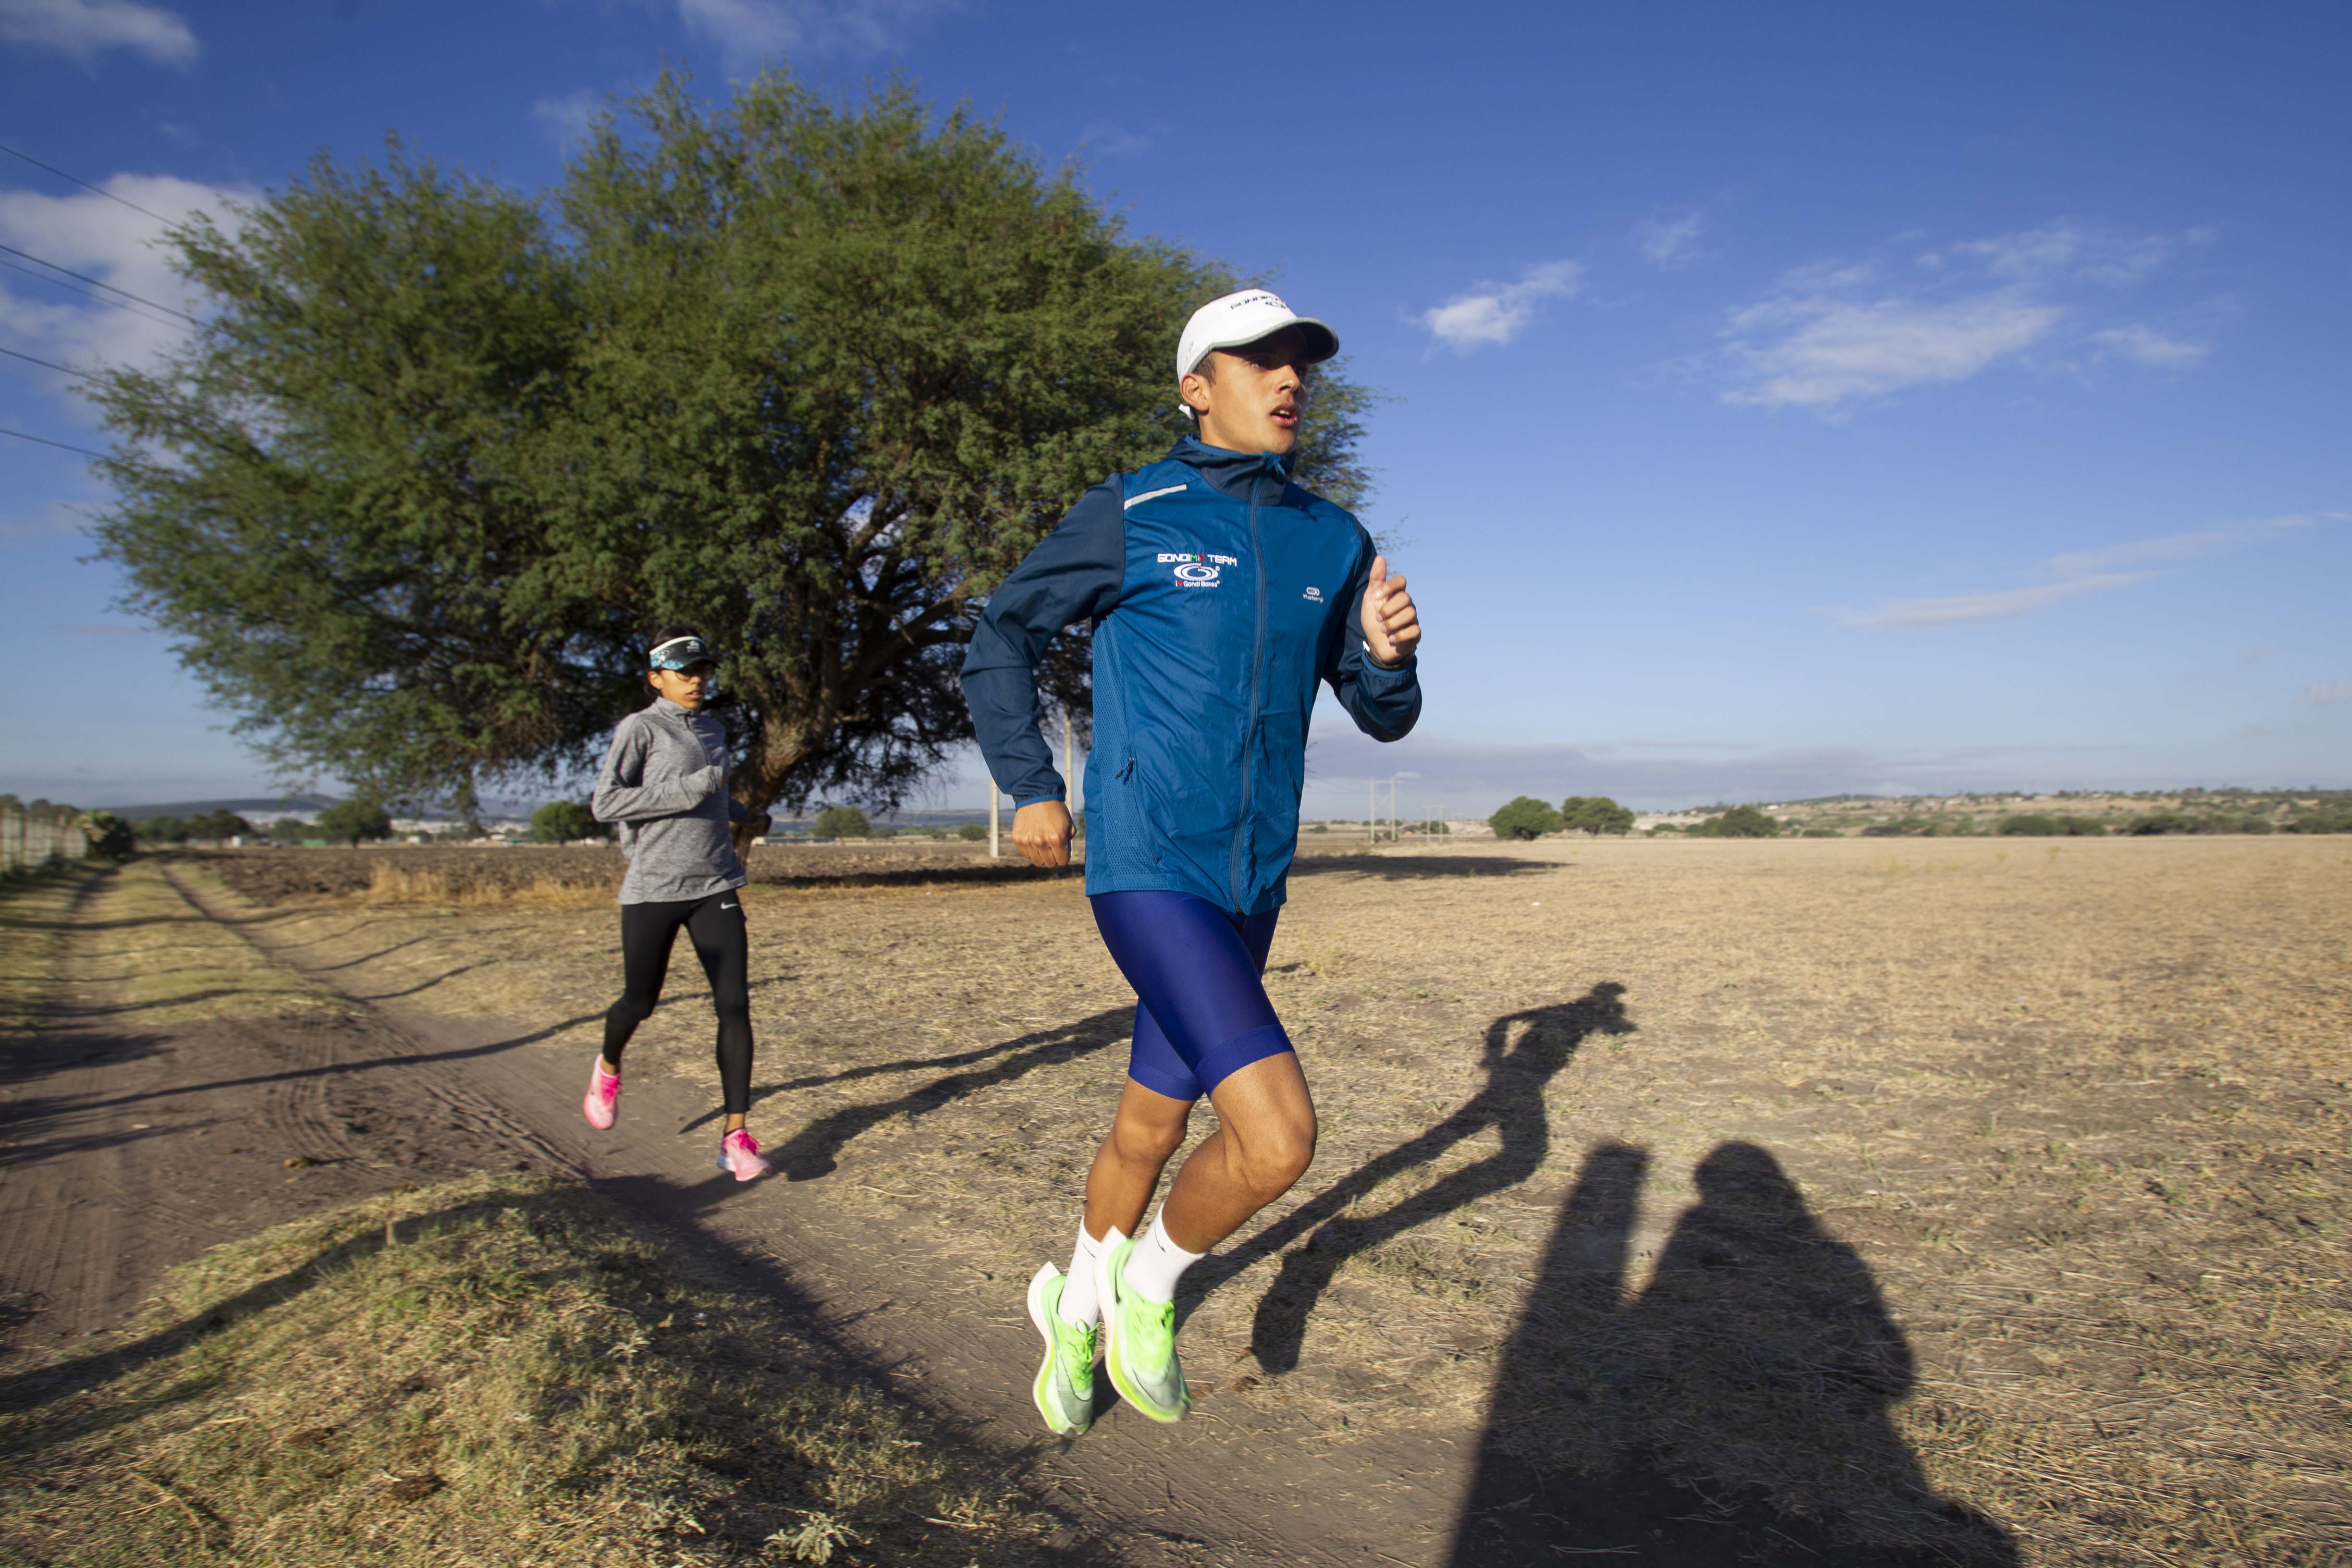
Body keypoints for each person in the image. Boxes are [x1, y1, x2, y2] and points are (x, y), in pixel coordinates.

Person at [962, 290, 1423, 1433]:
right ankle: (1148, 1289)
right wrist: (1032, 785)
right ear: (1193, 387)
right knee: (1278, 1140)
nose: (1287, 380)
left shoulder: (1334, 536)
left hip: (1251, 878)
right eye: (1258, 360)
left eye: (1299, 364)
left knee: (1150, 1126)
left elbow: (1380, 717)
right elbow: (1000, 635)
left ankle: (1071, 1306)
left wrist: (1389, 657)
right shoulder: (1134, 511)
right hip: (1146, 858)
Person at [588, 627, 777, 1181]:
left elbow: (710, 790)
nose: (697, 680)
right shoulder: (639, 728)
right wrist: (688, 791)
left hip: (715, 883)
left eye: (702, 671)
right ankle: (607, 1067)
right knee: (639, 1003)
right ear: (657, 678)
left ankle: (735, 1137)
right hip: (654, 888)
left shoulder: (714, 728)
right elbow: (606, 802)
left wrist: (741, 813)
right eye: (684, 672)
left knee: (734, 1006)